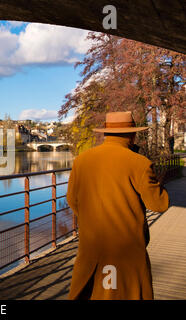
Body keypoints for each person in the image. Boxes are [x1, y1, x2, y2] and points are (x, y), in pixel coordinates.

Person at [67, 111, 169, 300]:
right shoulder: (139, 163)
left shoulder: (81, 161)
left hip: (91, 246)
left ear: (106, 133)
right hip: (127, 250)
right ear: (132, 135)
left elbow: (72, 200)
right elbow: (159, 204)